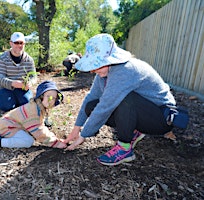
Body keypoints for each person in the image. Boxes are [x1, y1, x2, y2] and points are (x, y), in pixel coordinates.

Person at [63, 33, 176, 166]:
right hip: (143, 111)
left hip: (161, 118)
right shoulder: (104, 73)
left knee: (124, 99)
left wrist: (83, 135)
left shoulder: (125, 70)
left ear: (110, 60)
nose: (93, 70)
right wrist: (76, 129)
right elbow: (91, 98)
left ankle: (125, 148)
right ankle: (134, 130)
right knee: (91, 106)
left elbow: (106, 105)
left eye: (97, 64)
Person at [0, 81, 66, 149]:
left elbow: (40, 125)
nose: (51, 100)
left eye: (54, 98)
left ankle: (6, 136)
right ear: (41, 97)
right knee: (28, 141)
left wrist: (55, 139)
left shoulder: (38, 106)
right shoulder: (33, 111)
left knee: (30, 136)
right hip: (8, 127)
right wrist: (56, 143)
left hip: (14, 124)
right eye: (48, 96)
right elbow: (39, 132)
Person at [0, 32, 37, 112]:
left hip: (22, 87)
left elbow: (34, 77)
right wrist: (12, 83)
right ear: (11, 43)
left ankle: (16, 99)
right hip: (5, 87)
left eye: (21, 43)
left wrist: (30, 83)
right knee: (7, 106)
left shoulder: (29, 60)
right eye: (16, 43)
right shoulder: (3, 58)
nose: (19, 45)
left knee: (28, 104)